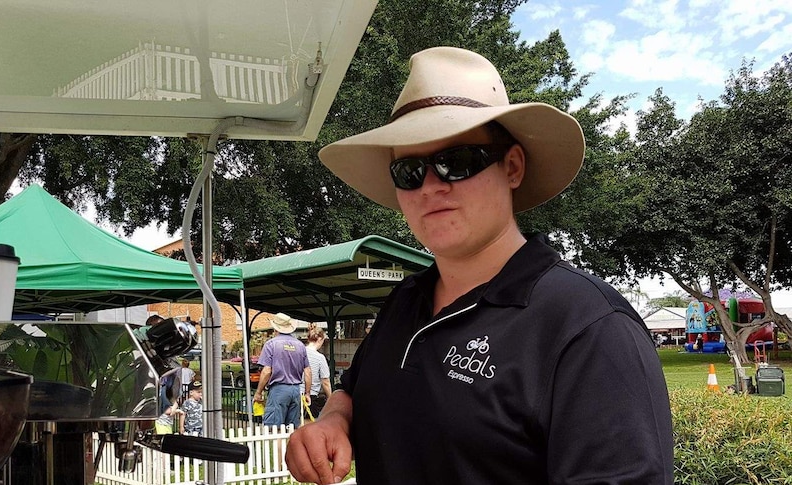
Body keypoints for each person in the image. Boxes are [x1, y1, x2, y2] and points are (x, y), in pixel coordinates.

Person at [285, 46, 674, 484]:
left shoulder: (588, 327)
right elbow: (353, 388)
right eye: (409, 171)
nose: (430, 186)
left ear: (512, 166)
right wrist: (333, 419)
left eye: (456, 161)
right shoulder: (404, 301)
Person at [254, 313, 312, 428]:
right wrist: (307, 393)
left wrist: (258, 392)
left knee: (275, 429)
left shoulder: (271, 344)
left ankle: (279, 446)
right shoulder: (300, 346)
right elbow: (308, 372)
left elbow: (266, 371)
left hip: (278, 390)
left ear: (275, 328)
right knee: (291, 430)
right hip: (295, 391)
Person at [303, 324, 332, 419]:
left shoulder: (299, 352)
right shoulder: (320, 357)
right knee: (310, 424)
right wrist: (330, 399)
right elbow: (325, 382)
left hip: (295, 392)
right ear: (320, 339)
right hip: (310, 396)